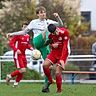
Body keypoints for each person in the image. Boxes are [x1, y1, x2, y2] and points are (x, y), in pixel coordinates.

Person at [7, 6, 63, 91]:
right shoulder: (34, 22)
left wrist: (57, 17)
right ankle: (50, 41)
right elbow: (23, 32)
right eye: (41, 12)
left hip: (44, 46)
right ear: (37, 14)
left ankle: (46, 85)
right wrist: (12, 34)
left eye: (44, 12)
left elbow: (60, 24)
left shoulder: (48, 21)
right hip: (37, 41)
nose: (43, 14)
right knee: (49, 28)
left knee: (48, 66)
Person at [42, 24, 70, 93]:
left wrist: (62, 60)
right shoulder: (51, 35)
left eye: (56, 31)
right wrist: (52, 45)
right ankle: (50, 80)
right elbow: (49, 44)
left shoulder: (65, 32)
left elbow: (65, 47)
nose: (56, 33)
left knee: (57, 73)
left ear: (57, 28)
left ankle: (59, 90)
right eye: (54, 33)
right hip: (54, 53)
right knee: (45, 65)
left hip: (64, 53)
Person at [6, 22, 33, 87]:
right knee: (22, 69)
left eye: (26, 27)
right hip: (17, 55)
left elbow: (27, 44)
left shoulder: (27, 36)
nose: (25, 28)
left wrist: (30, 48)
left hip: (23, 54)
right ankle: (9, 76)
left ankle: (16, 84)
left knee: (22, 70)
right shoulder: (18, 35)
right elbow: (11, 43)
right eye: (24, 27)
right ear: (22, 28)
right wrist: (16, 49)